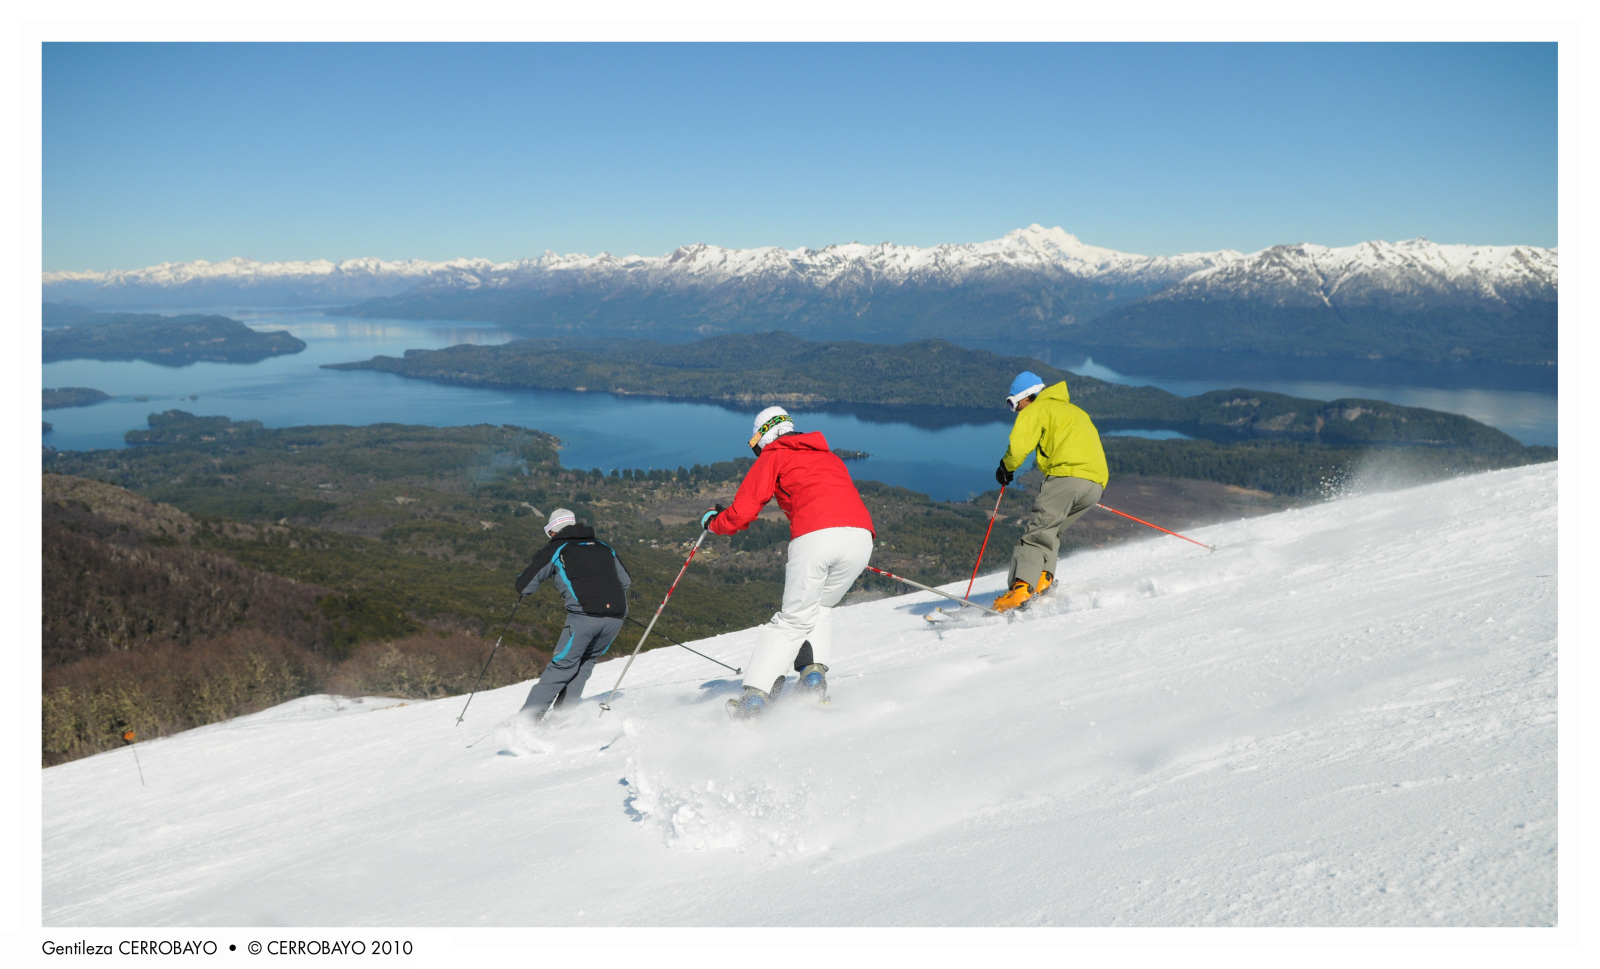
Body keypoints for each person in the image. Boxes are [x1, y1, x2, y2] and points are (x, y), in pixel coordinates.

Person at [702, 406, 875, 718]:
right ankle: (812, 680)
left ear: (765, 436)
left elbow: (743, 511)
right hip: (861, 538)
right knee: (818, 608)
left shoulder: (775, 454)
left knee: (793, 621)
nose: (758, 452)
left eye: (757, 445)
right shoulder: (829, 456)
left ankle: (754, 699)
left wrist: (714, 523)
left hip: (816, 538)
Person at [991, 370, 1109, 613]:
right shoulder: (1075, 411)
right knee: (1051, 531)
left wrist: (1006, 467)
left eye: (1014, 403)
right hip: (1095, 485)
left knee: (1037, 533)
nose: (1015, 410)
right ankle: (1043, 580)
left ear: (1028, 396)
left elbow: (1019, 445)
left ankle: (1021, 589)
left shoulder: (1037, 409)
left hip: (1066, 478)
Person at [512, 507, 631, 722]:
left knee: (561, 667)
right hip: (615, 618)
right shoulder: (604, 547)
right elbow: (626, 582)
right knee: (585, 663)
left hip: (584, 618)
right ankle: (561, 720)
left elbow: (526, 586)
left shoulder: (558, 548)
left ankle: (526, 723)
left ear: (552, 531)